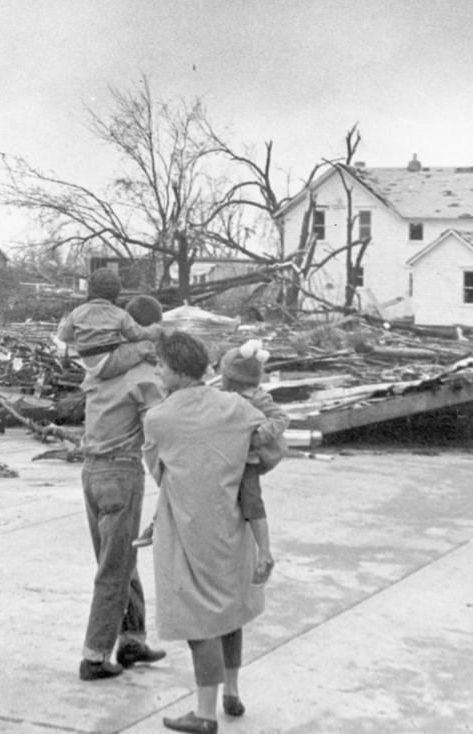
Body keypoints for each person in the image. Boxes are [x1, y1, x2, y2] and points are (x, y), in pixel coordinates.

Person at [143, 331, 285, 734]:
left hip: (188, 530)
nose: (156, 371)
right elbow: (271, 447)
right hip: (231, 523)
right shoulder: (236, 408)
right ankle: (231, 692)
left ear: (176, 372)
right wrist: (243, 466)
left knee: (198, 620)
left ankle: (205, 714)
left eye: (161, 365)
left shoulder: (159, 419)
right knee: (229, 610)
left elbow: (158, 471)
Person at [66, 286, 168, 682]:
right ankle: (94, 656)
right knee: (115, 568)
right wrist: (170, 481)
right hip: (121, 474)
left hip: (91, 473)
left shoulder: (97, 370)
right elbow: (157, 434)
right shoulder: (144, 375)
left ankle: (131, 638)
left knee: (120, 560)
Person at [216, 339, 289, 585]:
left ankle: (265, 553)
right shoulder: (223, 396)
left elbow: (281, 418)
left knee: (252, 503)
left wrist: (260, 436)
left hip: (248, 461)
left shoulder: (258, 398)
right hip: (226, 458)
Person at [55, 268, 154, 375]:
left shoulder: (77, 312)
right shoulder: (119, 314)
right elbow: (136, 335)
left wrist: (63, 324)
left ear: (89, 290)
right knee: (147, 345)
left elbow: (63, 336)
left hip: (87, 364)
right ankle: (157, 371)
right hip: (108, 364)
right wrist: (153, 330)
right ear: (116, 292)